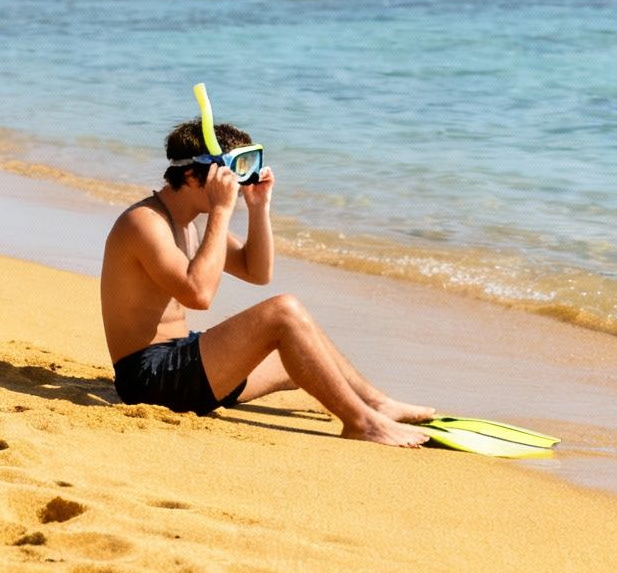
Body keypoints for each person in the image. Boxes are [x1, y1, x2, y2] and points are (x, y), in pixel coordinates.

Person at [99, 118, 435, 447]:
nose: (238, 185)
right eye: (232, 174)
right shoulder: (143, 223)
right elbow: (199, 295)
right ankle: (362, 423)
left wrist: (259, 208)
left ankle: (376, 403)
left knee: (303, 358)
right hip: (150, 379)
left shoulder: (191, 223)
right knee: (284, 311)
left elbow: (256, 271)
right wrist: (221, 211)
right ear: (191, 174)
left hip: (182, 361)